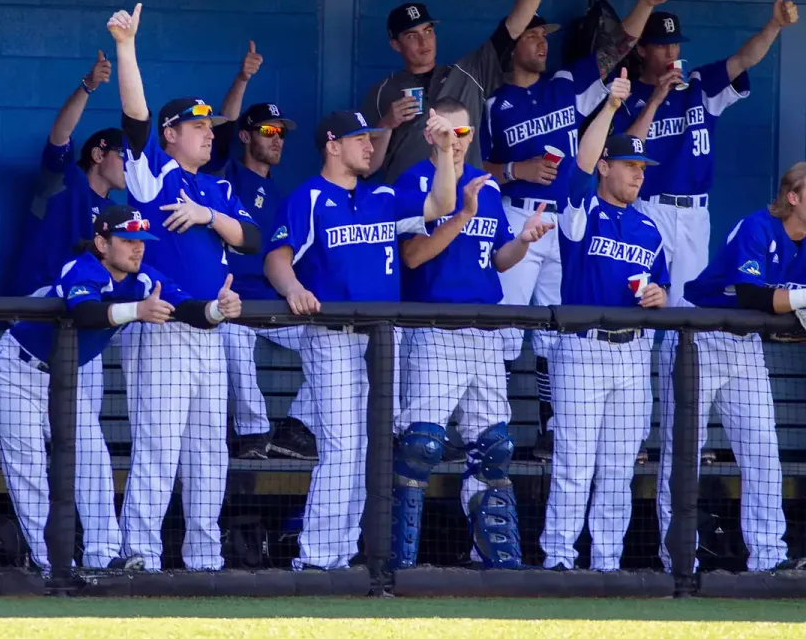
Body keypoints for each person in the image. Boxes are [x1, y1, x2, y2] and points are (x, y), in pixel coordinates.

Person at [0, 204, 240, 572]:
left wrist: (218, 309)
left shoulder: (142, 278)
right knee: (31, 474)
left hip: (62, 380)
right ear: (102, 242)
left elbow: (186, 309)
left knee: (94, 464)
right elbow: (84, 313)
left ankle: (103, 558)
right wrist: (137, 311)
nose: (138, 248)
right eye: (127, 240)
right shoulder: (82, 268)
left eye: (142, 240)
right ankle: (52, 566)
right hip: (16, 372)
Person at [481, 0, 669, 461]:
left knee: (554, 330)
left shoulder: (566, 83)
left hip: (566, 224)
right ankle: (491, 429)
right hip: (518, 217)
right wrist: (512, 167)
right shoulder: (492, 101)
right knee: (504, 331)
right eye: (533, 35)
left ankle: (548, 428)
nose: (542, 42)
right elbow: (469, 165)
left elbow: (617, 49)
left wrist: (645, 3)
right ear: (513, 43)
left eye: (545, 35)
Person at [264, 108, 457, 571]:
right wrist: (293, 288)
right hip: (330, 335)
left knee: (366, 448)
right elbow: (277, 255)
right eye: (360, 139)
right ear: (333, 145)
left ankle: (340, 553)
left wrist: (446, 151)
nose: (371, 146)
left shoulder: (383, 196)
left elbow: (441, 204)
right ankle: (314, 559)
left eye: (371, 138)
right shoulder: (309, 196)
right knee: (344, 447)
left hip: (376, 339)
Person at [107, 2, 262, 571]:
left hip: (212, 329)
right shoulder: (154, 172)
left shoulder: (216, 188)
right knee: (158, 449)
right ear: (172, 135)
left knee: (208, 453)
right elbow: (135, 117)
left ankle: (204, 558)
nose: (207, 134)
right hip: (164, 324)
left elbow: (251, 238)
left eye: (210, 127)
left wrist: (206, 216)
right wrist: (127, 47)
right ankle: (140, 554)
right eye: (198, 127)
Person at [389, 97, 553, 569]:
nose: (456, 143)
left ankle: (495, 560)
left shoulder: (485, 184)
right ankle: (398, 565)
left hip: (483, 328)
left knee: (495, 446)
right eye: (448, 132)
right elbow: (413, 256)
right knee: (421, 445)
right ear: (430, 132)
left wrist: (523, 241)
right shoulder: (414, 182)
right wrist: (461, 214)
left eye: (464, 135)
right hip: (434, 327)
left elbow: (499, 260)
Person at [539, 70, 670, 572]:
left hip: (633, 352)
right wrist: (611, 108)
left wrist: (658, 296)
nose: (639, 174)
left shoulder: (649, 228)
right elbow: (578, 164)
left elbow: (660, 286)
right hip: (584, 348)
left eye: (643, 167)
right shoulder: (582, 212)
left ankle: (607, 563)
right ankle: (558, 560)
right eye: (630, 165)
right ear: (606, 167)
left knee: (617, 469)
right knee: (575, 463)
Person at [654, 166, 806, 573]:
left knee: (763, 454)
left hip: (745, 343)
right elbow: (753, 294)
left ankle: (769, 557)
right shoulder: (757, 226)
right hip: (699, 331)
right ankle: (678, 557)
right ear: (793, 197)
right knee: (682, 450)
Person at [620, 0, 798, 305]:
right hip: (649, 208)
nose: (671, 52)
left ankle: (682, 357)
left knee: (688, 305)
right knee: (643, 297)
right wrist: (657, 98)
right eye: (662, 45)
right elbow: (628, 147)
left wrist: (774, 26)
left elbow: (744, 59)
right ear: (643, 50)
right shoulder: (629, 94)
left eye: (675, 44)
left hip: (694, 213)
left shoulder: (698, 85)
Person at [204, 101, 318, 461]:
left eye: (281, 133)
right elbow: (219, 133)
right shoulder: (226, 176)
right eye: (268, 131)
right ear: (245, 136)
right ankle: (252, 434)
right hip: (234, 302)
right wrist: (242, 78)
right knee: (233, 336)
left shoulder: (284, 197)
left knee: (333, 342)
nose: (277, 139)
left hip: (273, 303)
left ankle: (295, 428)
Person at [360, 0, 547, 182]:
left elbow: (513, 28)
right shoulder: (381, 92)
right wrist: (387, 124)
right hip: (412, 202)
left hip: (464, 196)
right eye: (412, 36)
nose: (424, 42)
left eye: (428, 31)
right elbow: (366, 167)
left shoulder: (468, 73)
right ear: (396, 45)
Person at [10, 51, 125, 297]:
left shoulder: (115, 211)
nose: (130, 165)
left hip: (84, 299)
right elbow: (60, 134)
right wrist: (88, 86)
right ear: (98, 155)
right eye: (123, 155)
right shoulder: (64, 179)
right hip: (38, 295)